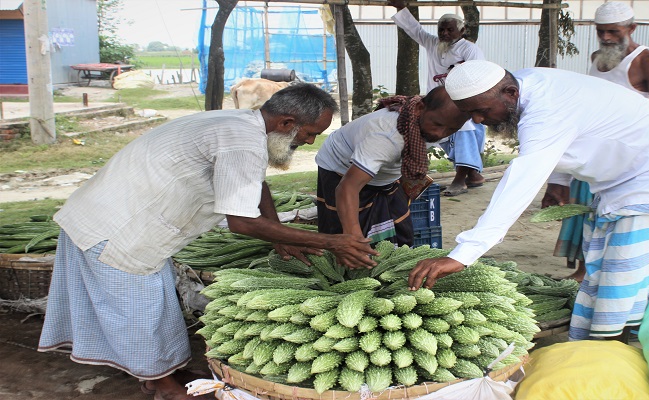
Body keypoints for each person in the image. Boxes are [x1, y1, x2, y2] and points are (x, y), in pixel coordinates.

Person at [37, 84, 377, 400]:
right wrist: (332, 242)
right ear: (287, 122)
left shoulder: (244, 126)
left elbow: (254, 185)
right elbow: (242, 222)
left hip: (123, 217)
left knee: (155, 303)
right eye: (310, 133)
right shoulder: (242, 140)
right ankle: (162, 384)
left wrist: (277, 232)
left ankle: (166, 370)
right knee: (135, 309)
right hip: (117, 227)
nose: (309, 142)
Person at [408, 60, 649, 342]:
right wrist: (559, 183)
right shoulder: (521, 83)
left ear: (510, 93)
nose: (478, 119)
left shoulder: (545, 108)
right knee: (604, 264)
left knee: (625, 270)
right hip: (625, 177)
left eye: (482, 110)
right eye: (469, 113)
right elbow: (575, 133)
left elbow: (523, 178)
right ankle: (608, 336)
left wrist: (464, 253)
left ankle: (617, 348)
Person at [554, 1, 649, 281]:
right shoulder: (599, 58)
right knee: (585, 210)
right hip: (594, 150)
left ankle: (598, 274)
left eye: (613, 32)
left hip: (627, 154)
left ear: (631, 28)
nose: (607, 38)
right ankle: (583, 271)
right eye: (601, 32)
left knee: (611, 214)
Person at [316, 87, 471, 246]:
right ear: (419, 108)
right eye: (437, 124)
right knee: (350, 230)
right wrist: (353, 238)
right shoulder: (385, 137)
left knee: (401, 228)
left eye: (452, 129)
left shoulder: (433, 120)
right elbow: (347, 188)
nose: (440, 133)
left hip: (382, 172)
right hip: (341, 169)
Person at [388, 0, 487, 197]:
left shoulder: (470, 50)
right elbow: (415, 30)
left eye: (449, 30)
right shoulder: (434, 44)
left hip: (460, 103)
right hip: (435, 104)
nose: (444, 34)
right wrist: (401, 8)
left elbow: (477, 75)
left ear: (462, 30)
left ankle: (460, 181)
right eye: (441, 30)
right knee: (432, 133)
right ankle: (474, 176)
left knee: (463, 133)